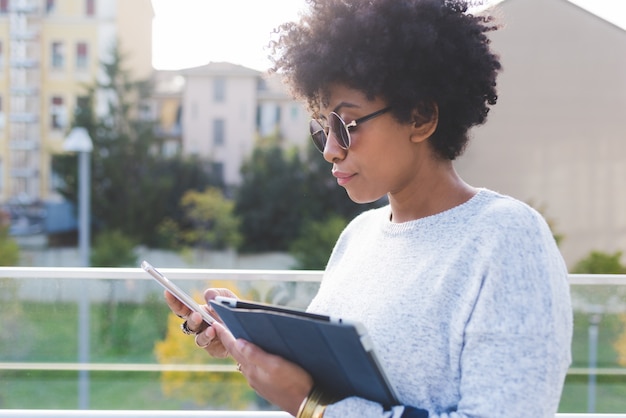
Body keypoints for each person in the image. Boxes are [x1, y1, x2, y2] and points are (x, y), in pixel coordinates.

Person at [165, 0, 573, 416]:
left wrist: (313, 408)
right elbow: (323, 379)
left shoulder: (507, 238)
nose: (329, 150)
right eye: (323, 129)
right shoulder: (359, 237)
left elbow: (319, 401)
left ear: (421, 117)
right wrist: (245, 340)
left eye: (345, 126)